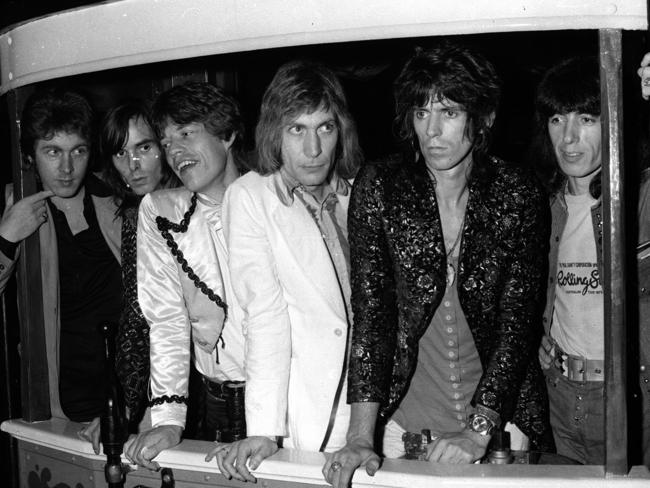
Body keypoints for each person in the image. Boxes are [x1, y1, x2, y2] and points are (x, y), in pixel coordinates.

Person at [324, 43, 552, 487]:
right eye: (421, 112)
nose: (432, 130)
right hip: (402, 429)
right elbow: (373, 318)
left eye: (448, 112)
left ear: (481, 117)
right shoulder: (381, 187)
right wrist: (359, 436)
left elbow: (517, 324)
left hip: (501, 428)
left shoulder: (517, 192)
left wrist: (478, 428)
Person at [210, 60, 363, 482]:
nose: (313, 150)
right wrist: (263, 429)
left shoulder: (361, 192)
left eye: (325, 128)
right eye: (297, 129)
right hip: (313, 409)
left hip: (382, 410)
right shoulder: (251, 197)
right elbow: (264, 314)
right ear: (275, 132)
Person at [122, 82, 247, 469]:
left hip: (288, 405)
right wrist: (169, 419)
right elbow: (166, 320)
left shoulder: (276, 198)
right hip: (210, 406)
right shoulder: (161, 210)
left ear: (226, 135)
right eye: (166, 140)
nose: (174, 151)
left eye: (186, 133)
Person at [0, 87, 122, 454]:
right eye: (52, 152)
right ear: (29, 156)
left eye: (77, 152)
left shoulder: (113, 198)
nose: (67, 169)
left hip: (127, 394)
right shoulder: (13, 205)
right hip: (59, 402)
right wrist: (6, 236)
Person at [531, 56, 611, 465]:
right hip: (558, 393)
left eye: (587, 119)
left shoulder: (640, 202)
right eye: (558, 120)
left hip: (625, 397)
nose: (569, 138)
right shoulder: (544, 207)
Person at [99, 100, 179, 430]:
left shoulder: (198, 202)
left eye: (143, 147)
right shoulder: (135, 216)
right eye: (121, 153)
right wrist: (128, 405)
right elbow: (137, 316)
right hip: (175, 385)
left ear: (164, 144)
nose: (133, 164)